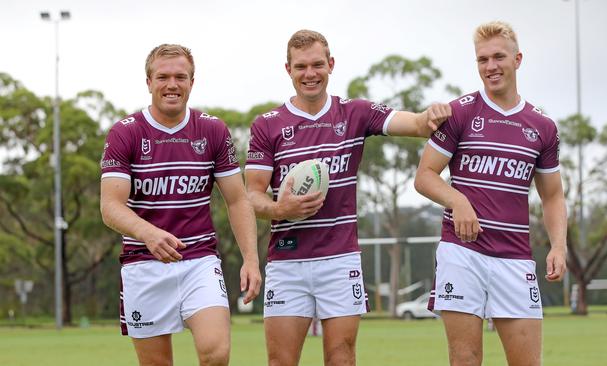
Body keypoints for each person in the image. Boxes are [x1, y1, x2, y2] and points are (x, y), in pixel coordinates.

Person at [245, 29, 451, 366]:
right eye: (300, 67)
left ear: (331, 64)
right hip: (287, 262)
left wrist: (430, 116)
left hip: (339, 260)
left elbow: (414, 124)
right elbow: (251, 194)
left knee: (342, 359)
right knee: (280, 361)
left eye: (316, 65)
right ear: (288, 69)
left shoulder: (355, 113)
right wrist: (281, 208)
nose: (309, 74)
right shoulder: (267, 125)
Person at [414, 21, 567, 366]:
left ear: (518, 59)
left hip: (515, 258)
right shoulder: (460, 113)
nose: (491, 66)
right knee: (465, 360)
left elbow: (553, 195)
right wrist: (457, 199)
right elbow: (424, 176)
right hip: (462, 254)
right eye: (482, 59)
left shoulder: (542, 127)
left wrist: (558, 245)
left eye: (499, 57)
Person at [100, 44, 261, 366]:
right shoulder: (125, 133)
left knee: (216, 352)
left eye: (180, 77)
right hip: (142, 264)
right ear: (148, 82)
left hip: (198, 260)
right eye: (163, 77)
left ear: (191, 81)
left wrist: (251, 260)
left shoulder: (212, 130)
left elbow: (237, 199)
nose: (172, 84)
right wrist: (148, 233)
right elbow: (110, 207)